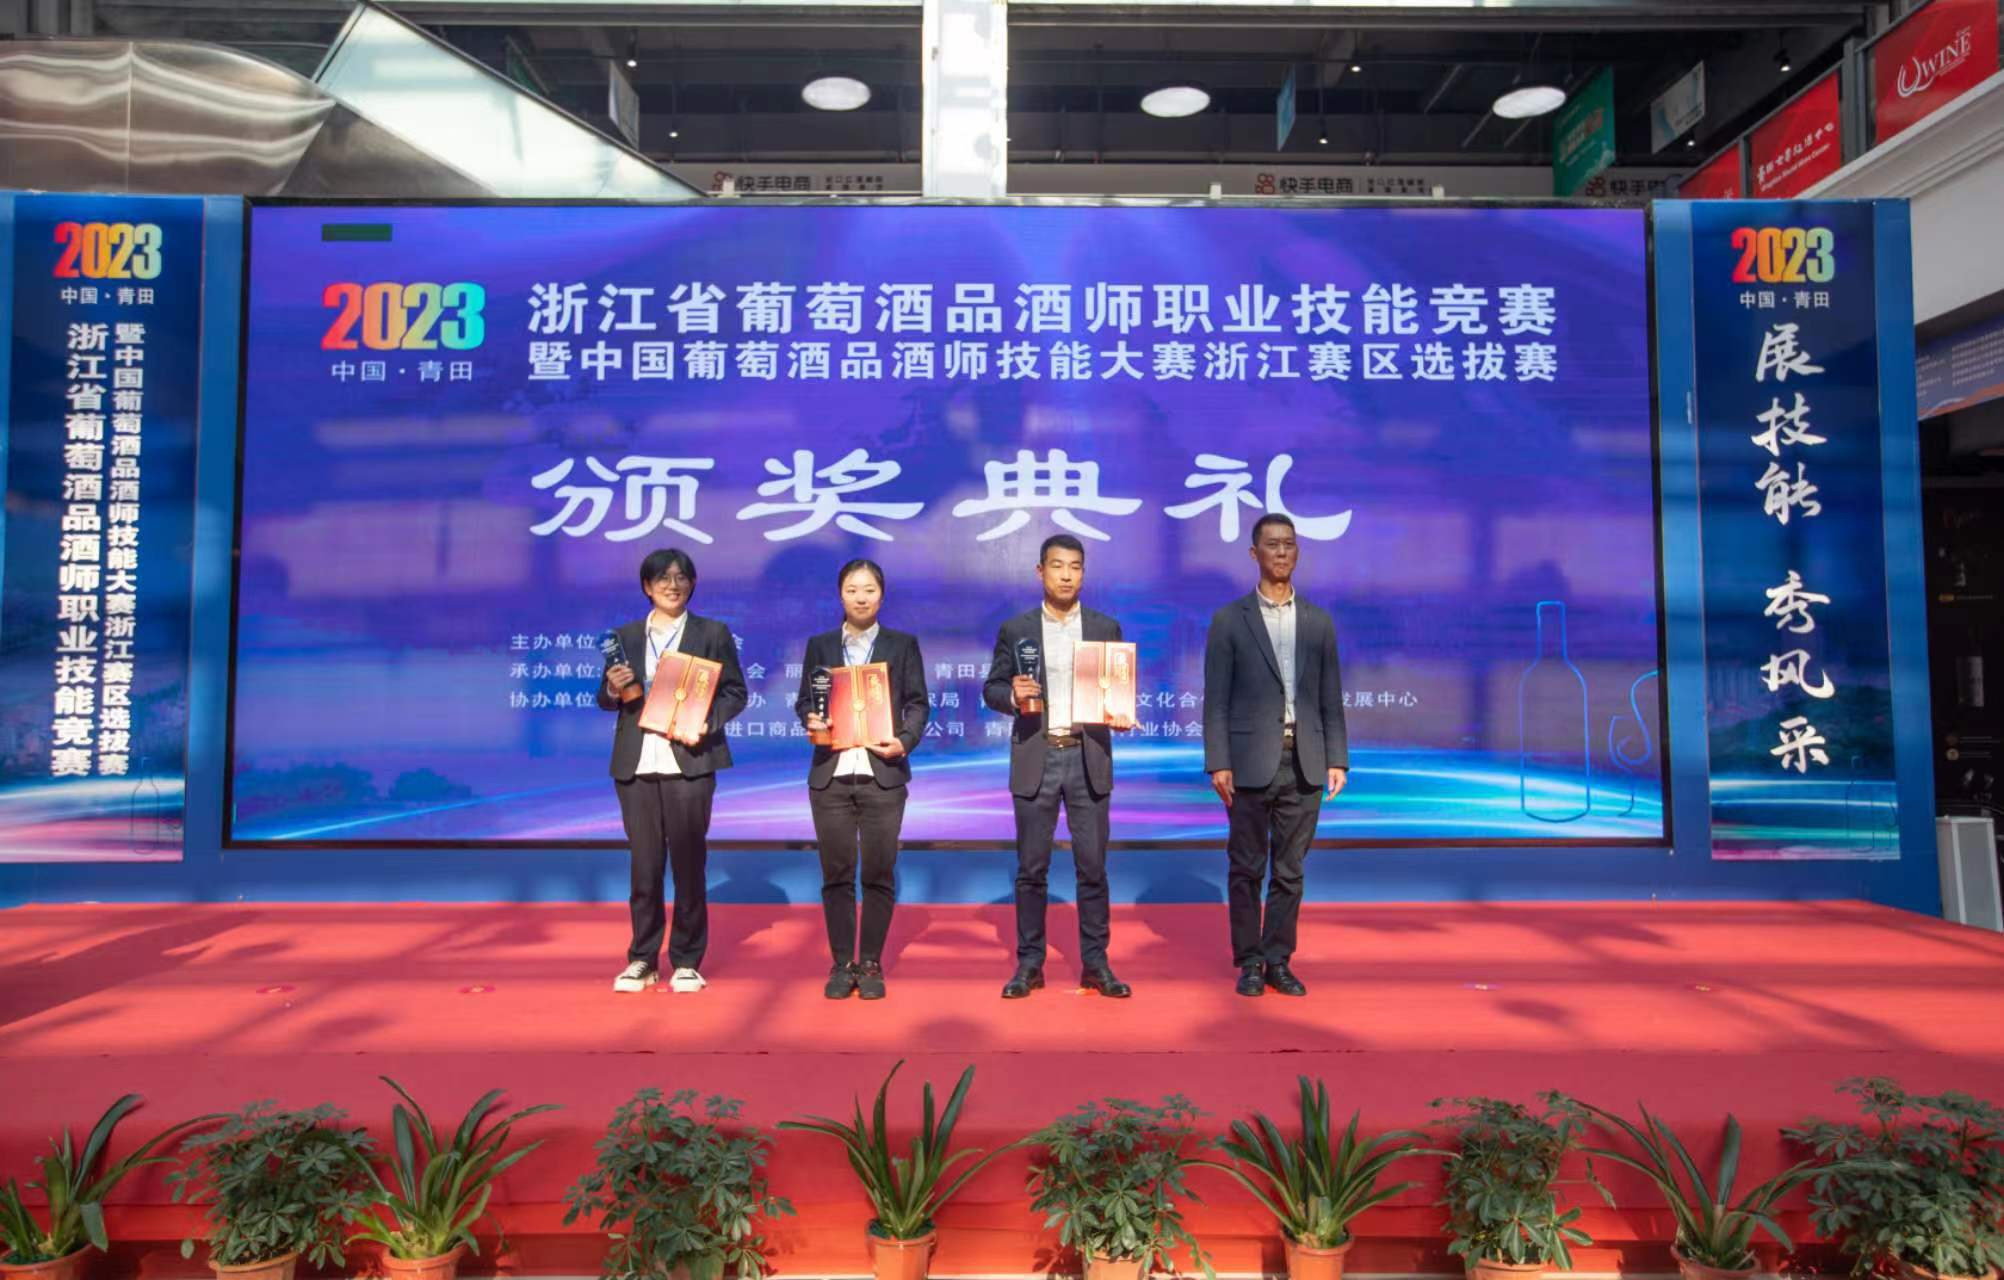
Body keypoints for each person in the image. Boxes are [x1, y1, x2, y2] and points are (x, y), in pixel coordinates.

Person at [1201, 513, 1349, 998]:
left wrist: (1337, 758)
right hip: (1248, 763)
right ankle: (1248, 962)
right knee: (1246, 867)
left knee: (1290, 871)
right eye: (1272, 544)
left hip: (1304, 761)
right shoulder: (1229, 620)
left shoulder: (1318, 621)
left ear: (1297, 552)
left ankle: (1278, 961)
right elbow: (1216, 699)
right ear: (1254, 554)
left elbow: (1330, 697)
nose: (1281, 552)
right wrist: (1218, 761)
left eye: (1289, 544)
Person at [982, 534, 1134, 1000]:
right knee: (1032, 869)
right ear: (1040, 571)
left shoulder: (1105, 627)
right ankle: (1030, 964)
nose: (1066, 575)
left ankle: (1096, 964)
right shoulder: (1017, 629)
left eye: (1075, 567)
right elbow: (991, 688)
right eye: (1057, 566)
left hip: (1088, 756)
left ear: (1083, 573)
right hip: (1038, 753)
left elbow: (1117, 687)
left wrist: (1120, 712)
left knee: (1093, 868)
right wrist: (1012, 696)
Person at [598, 548, 748, 995]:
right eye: (662, 578)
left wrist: (707, 722)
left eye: (681, 577)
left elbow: (736, 692)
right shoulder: (624, 636)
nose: (672, 585)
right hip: (637, 762)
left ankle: (686, 960)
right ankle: (642, 959)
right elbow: (604, 698)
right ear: (647, 587)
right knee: (644, 867)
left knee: (688, 863)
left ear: (693, 584)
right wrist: (612, 690)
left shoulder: (712, 633)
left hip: (690, 761)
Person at [793, 559, 930, 1001]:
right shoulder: (820, 645)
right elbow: (804, 701)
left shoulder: (901, 644)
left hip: (882, 774)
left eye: (869, 589)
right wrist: (811, 717)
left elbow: (918, 704)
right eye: (853, 589)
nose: (861, 597)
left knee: (877, 873)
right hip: (831, 775)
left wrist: (904, 741)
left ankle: (870, 962)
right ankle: (841, 963)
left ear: (882, 595)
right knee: (836, 874)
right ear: (840, 594)